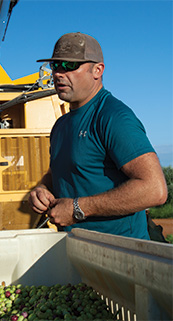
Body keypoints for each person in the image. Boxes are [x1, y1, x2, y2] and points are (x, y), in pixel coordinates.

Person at [29, 32, 167, 239]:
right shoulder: (61, 125)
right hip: (76, 251)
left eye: (69, 66)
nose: (58, 73)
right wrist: (42, 189)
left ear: (98, 70)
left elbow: (154, 190)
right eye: (55, 65)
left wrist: (77, 208)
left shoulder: (113, 117)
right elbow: (62, 173)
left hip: (119, 254)